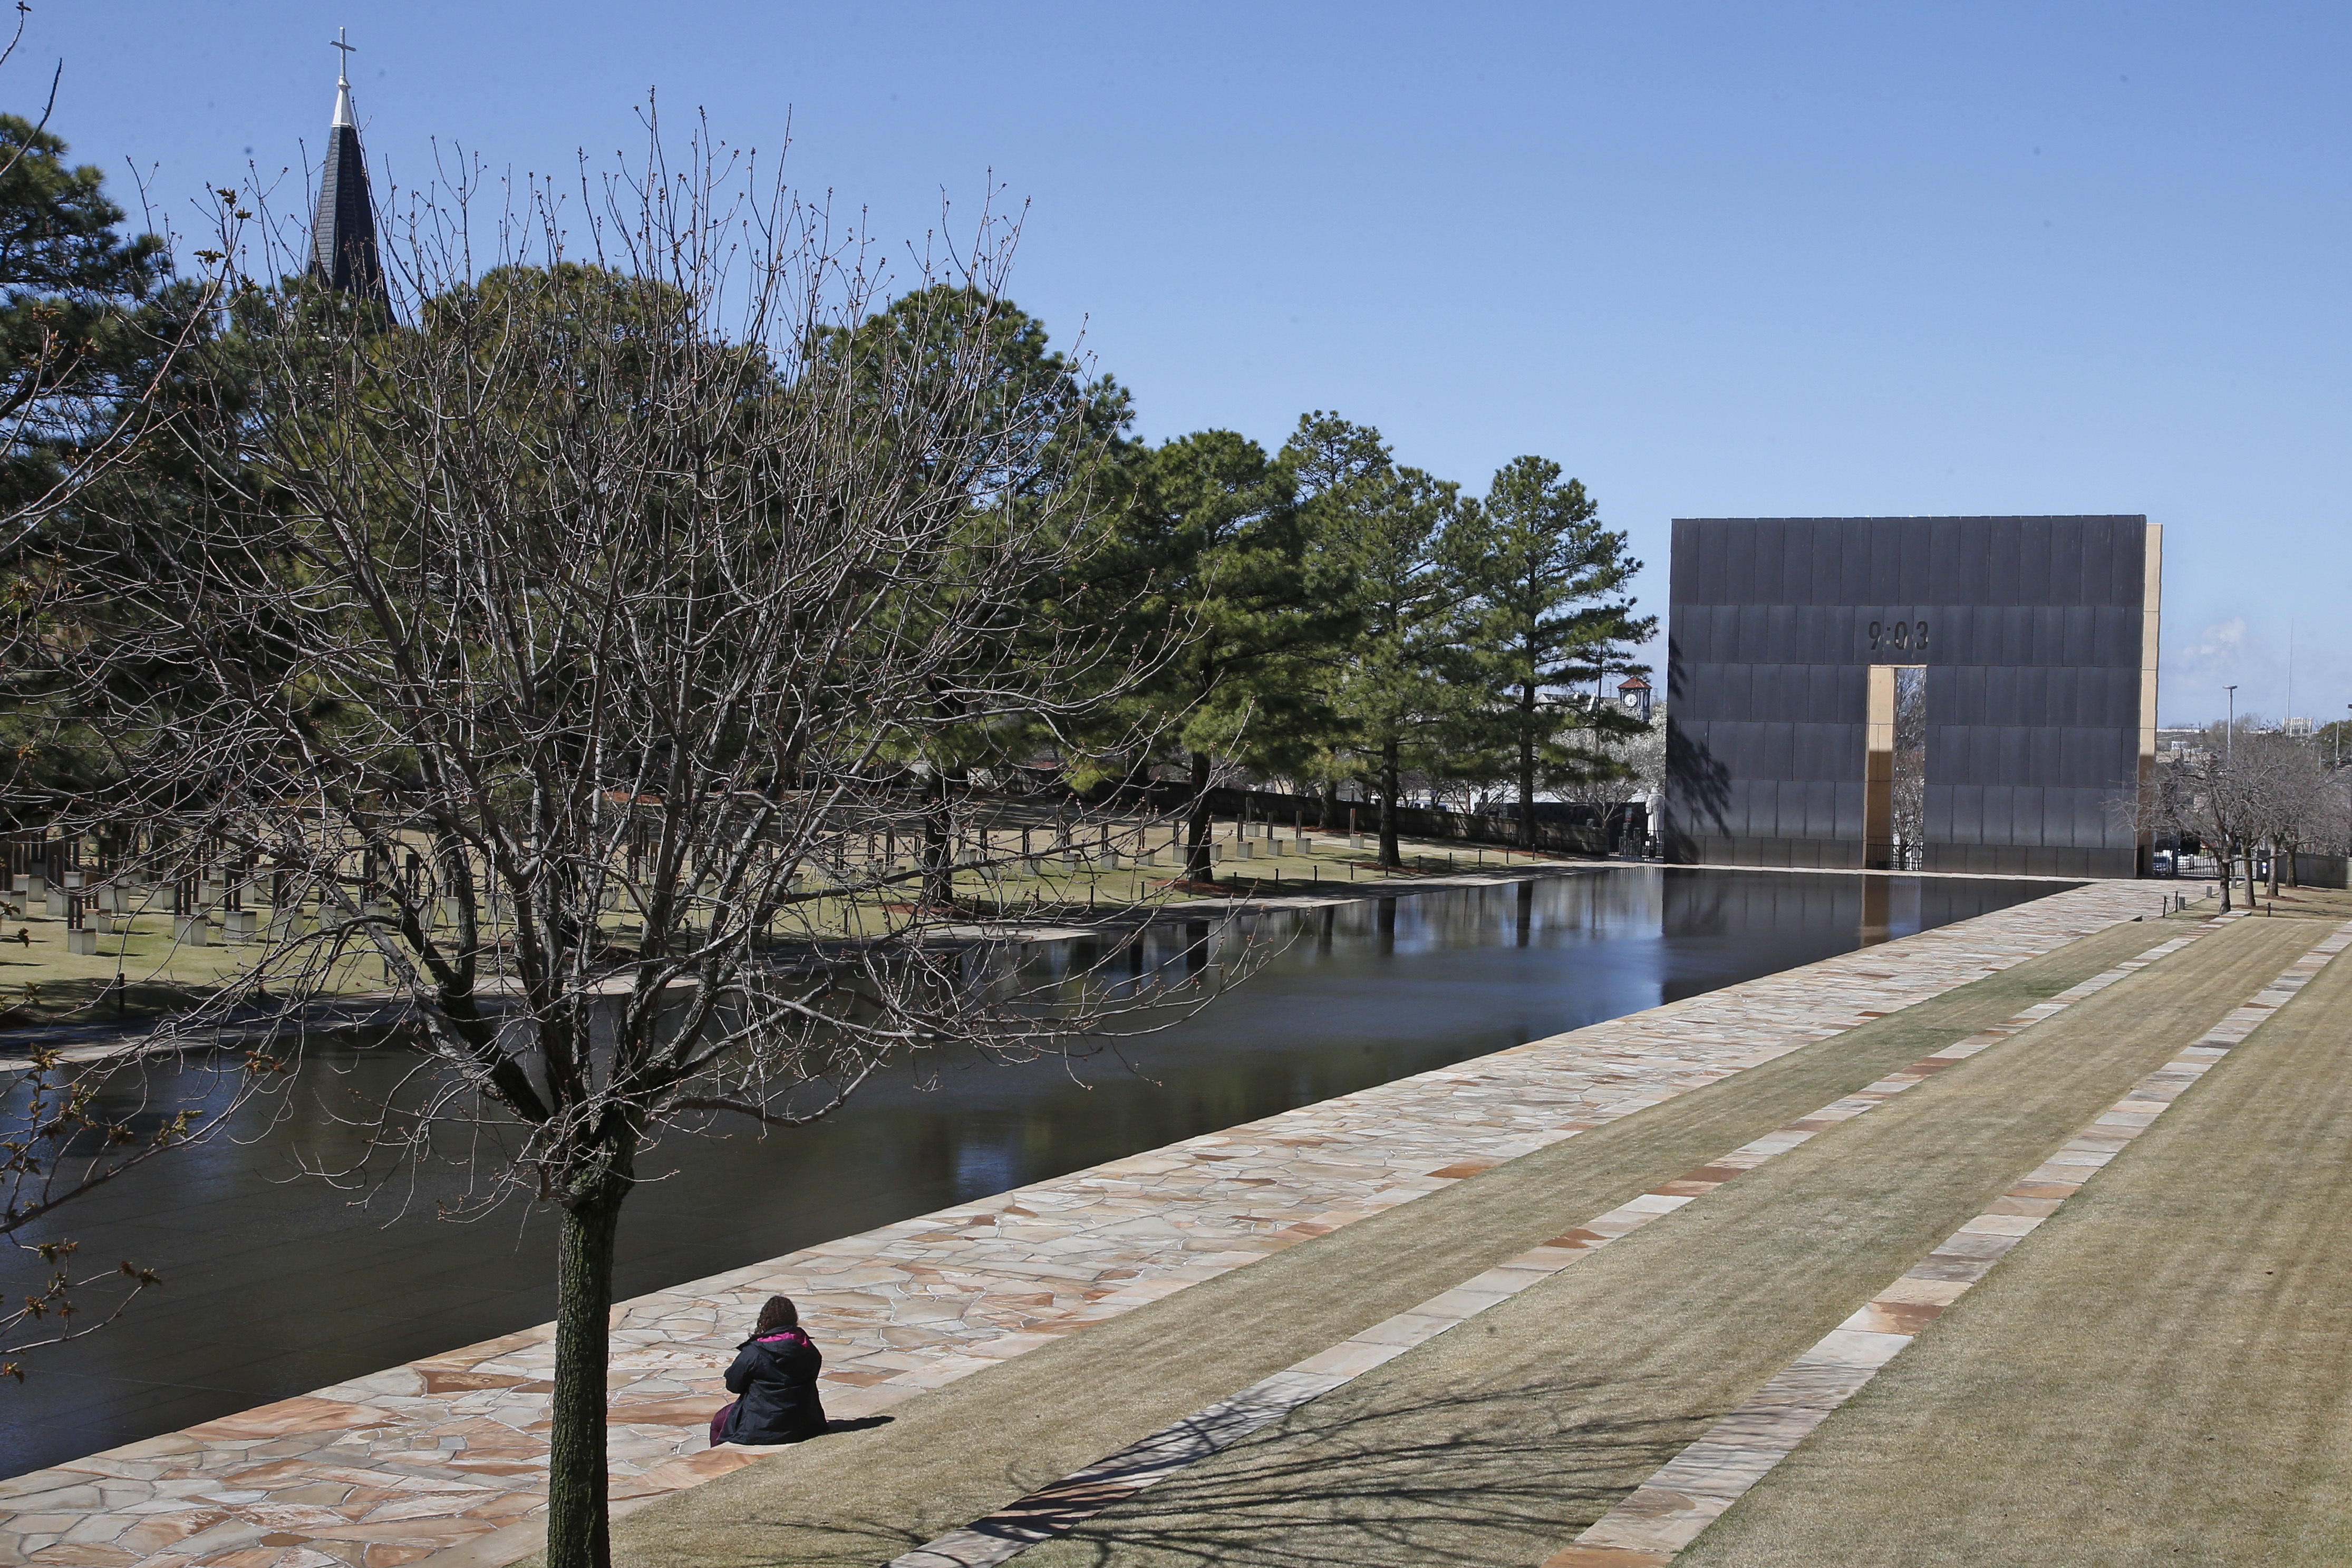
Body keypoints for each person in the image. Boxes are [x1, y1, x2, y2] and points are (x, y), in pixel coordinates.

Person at [709, 1295, 827, 1447]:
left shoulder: (754, 1352)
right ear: (794, 1318)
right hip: (805, 1423)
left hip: (762, 1427)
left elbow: (733, 1385)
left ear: (765, 1320)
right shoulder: (809, 1350)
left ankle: (720, 1463)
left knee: (719, 1422)